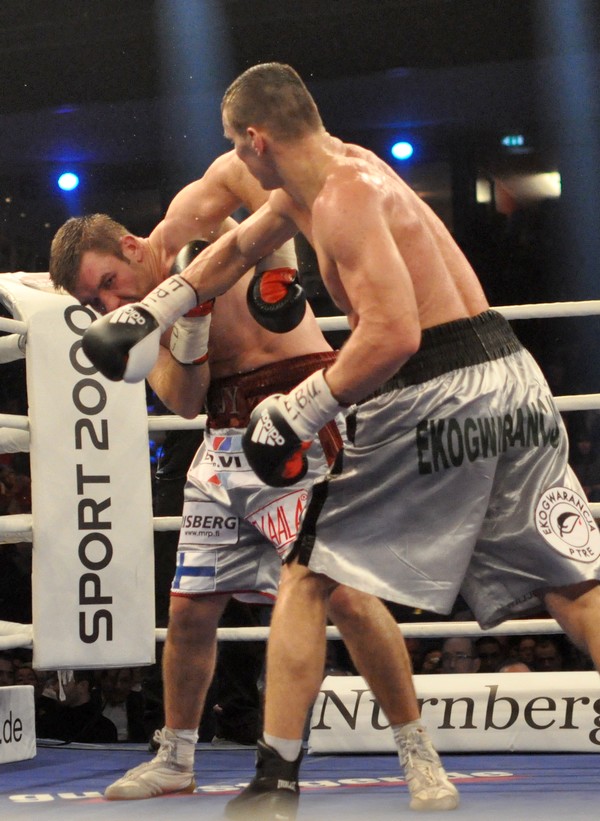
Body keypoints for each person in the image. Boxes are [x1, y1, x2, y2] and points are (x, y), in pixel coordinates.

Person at [80, 62, 600, 819]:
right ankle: (223, 764)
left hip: (427, 386)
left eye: (235, 144)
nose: (234, 159)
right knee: (575, 586)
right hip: (511, 379)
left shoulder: (343, 198)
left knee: (310, 574)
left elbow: (393, 335)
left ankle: (276, 781)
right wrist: (153, 312)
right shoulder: (340, 173)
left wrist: (300, 409)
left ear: (256, 140)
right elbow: (236, 249)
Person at [49, 151, 458, 811]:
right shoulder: (144, 322)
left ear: (129, 246)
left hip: (298, 413)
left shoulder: (188, 219)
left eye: (108, 284)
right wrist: (191, 329)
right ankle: (176, 757)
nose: (110, 303)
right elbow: (185, 401)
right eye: (94, 301)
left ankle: (419, 753)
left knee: (347, 597)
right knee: (190, 608)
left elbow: (252, 178)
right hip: (223, 438)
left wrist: (278, 270)